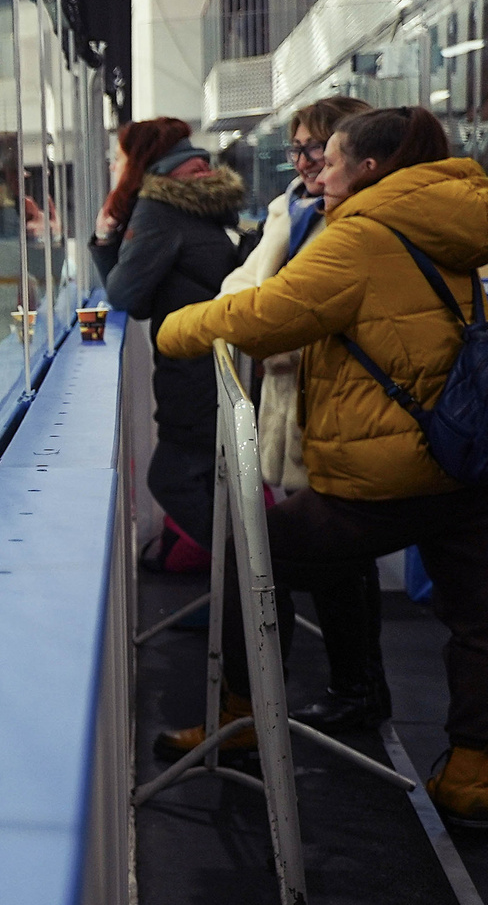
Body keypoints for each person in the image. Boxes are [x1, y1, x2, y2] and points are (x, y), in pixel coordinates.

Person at [155, 106, 488, 820]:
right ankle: (472, 774)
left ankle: (239, 721)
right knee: (478, 621)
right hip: (469, 457)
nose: (316, 174)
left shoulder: (364, 235)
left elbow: (264, 314)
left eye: (328, 160)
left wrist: (177, 327)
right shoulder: (464, 213)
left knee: (256, 556)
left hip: (390, 470)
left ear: (369, 168)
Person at [210, 94, 383, 731]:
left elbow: (268, 305)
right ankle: (355, 687)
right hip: (309, 403)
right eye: (299, 148)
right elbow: (247, 291)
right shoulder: (297, 210)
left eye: (318, 147)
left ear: (354, 153)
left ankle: (263, 710)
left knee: (311, 554)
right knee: (338, 562)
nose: (307, 161)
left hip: (342, 410)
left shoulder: (347, 224)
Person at [91, 118, 246, 608]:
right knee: (211, 481)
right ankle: (240, 594)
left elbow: (126, 295)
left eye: (119, 158)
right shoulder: (205, 193)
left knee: (173, 479)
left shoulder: (160, 206)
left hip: (192, 366)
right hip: (224, 361)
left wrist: (103, 239)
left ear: (136, 158)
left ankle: (257, 584)